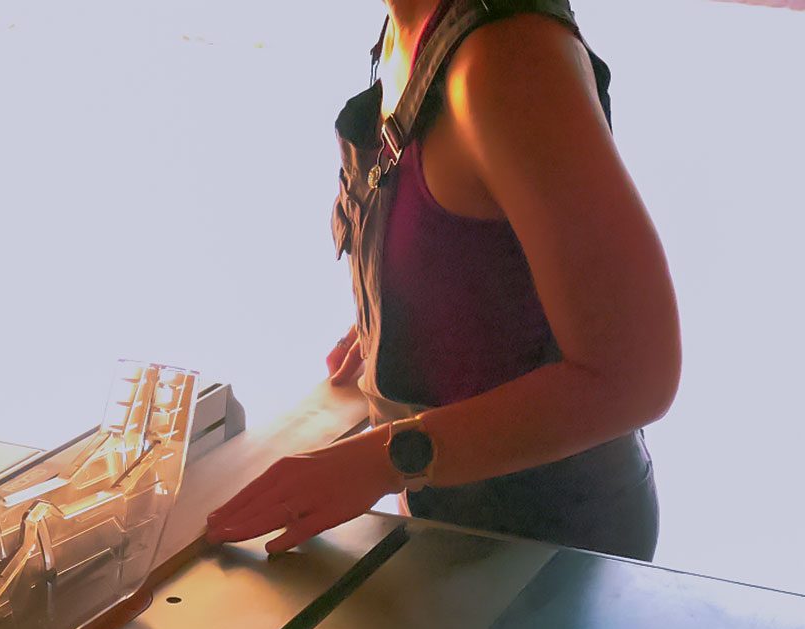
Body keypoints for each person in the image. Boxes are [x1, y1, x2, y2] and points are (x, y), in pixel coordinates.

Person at [204, 0, 677, 560]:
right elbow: (474, 233)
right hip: (450, 523)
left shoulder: (508, 56)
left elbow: (635, 375)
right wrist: (410, 312)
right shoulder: (406, 27)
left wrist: (383, 459)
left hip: (554, 548)